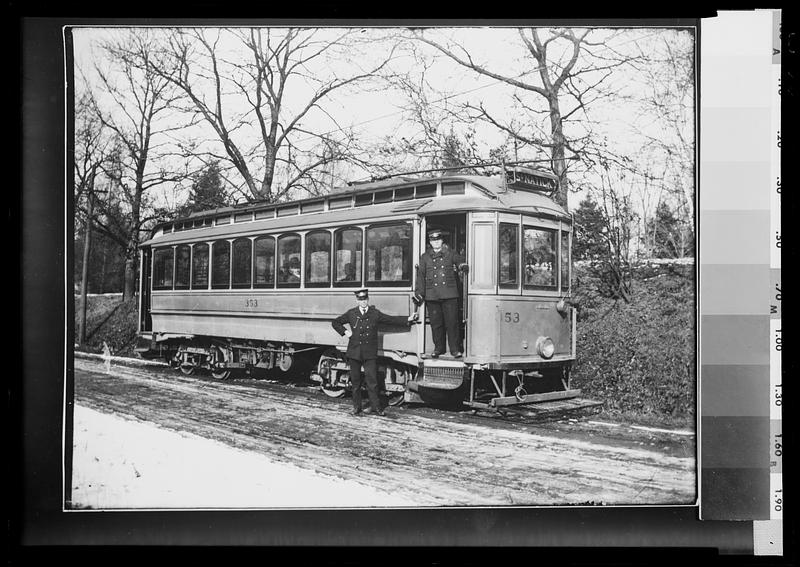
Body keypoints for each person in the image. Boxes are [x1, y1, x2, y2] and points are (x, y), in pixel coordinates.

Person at [332, 288, 417, 416]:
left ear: (368, 299)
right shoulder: (351, 313)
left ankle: (376, 407)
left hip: (369, 354)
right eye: (361, 300)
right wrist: (346, 332)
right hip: (354, 353)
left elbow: (391, 320)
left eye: (365, 299)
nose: (363, 302)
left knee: (372, 382)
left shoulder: (374, 313)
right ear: (357, 301)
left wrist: (408, 319)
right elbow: (335, 322)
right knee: (355, 383)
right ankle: (356, 407)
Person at [414, 229, 468, 358]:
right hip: (432, 295)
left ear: (442, 241)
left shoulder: (450, 254)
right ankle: (439, 348)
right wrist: (419, 293)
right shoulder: (425, 257)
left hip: (449, 294)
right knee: (436, 324)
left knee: (452, 323)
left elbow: (459, 260)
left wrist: (462, 265)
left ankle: (455, 349)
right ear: (430, 242)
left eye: (438, 240)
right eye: (433, 240)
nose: (436, 243)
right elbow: (421, 276)